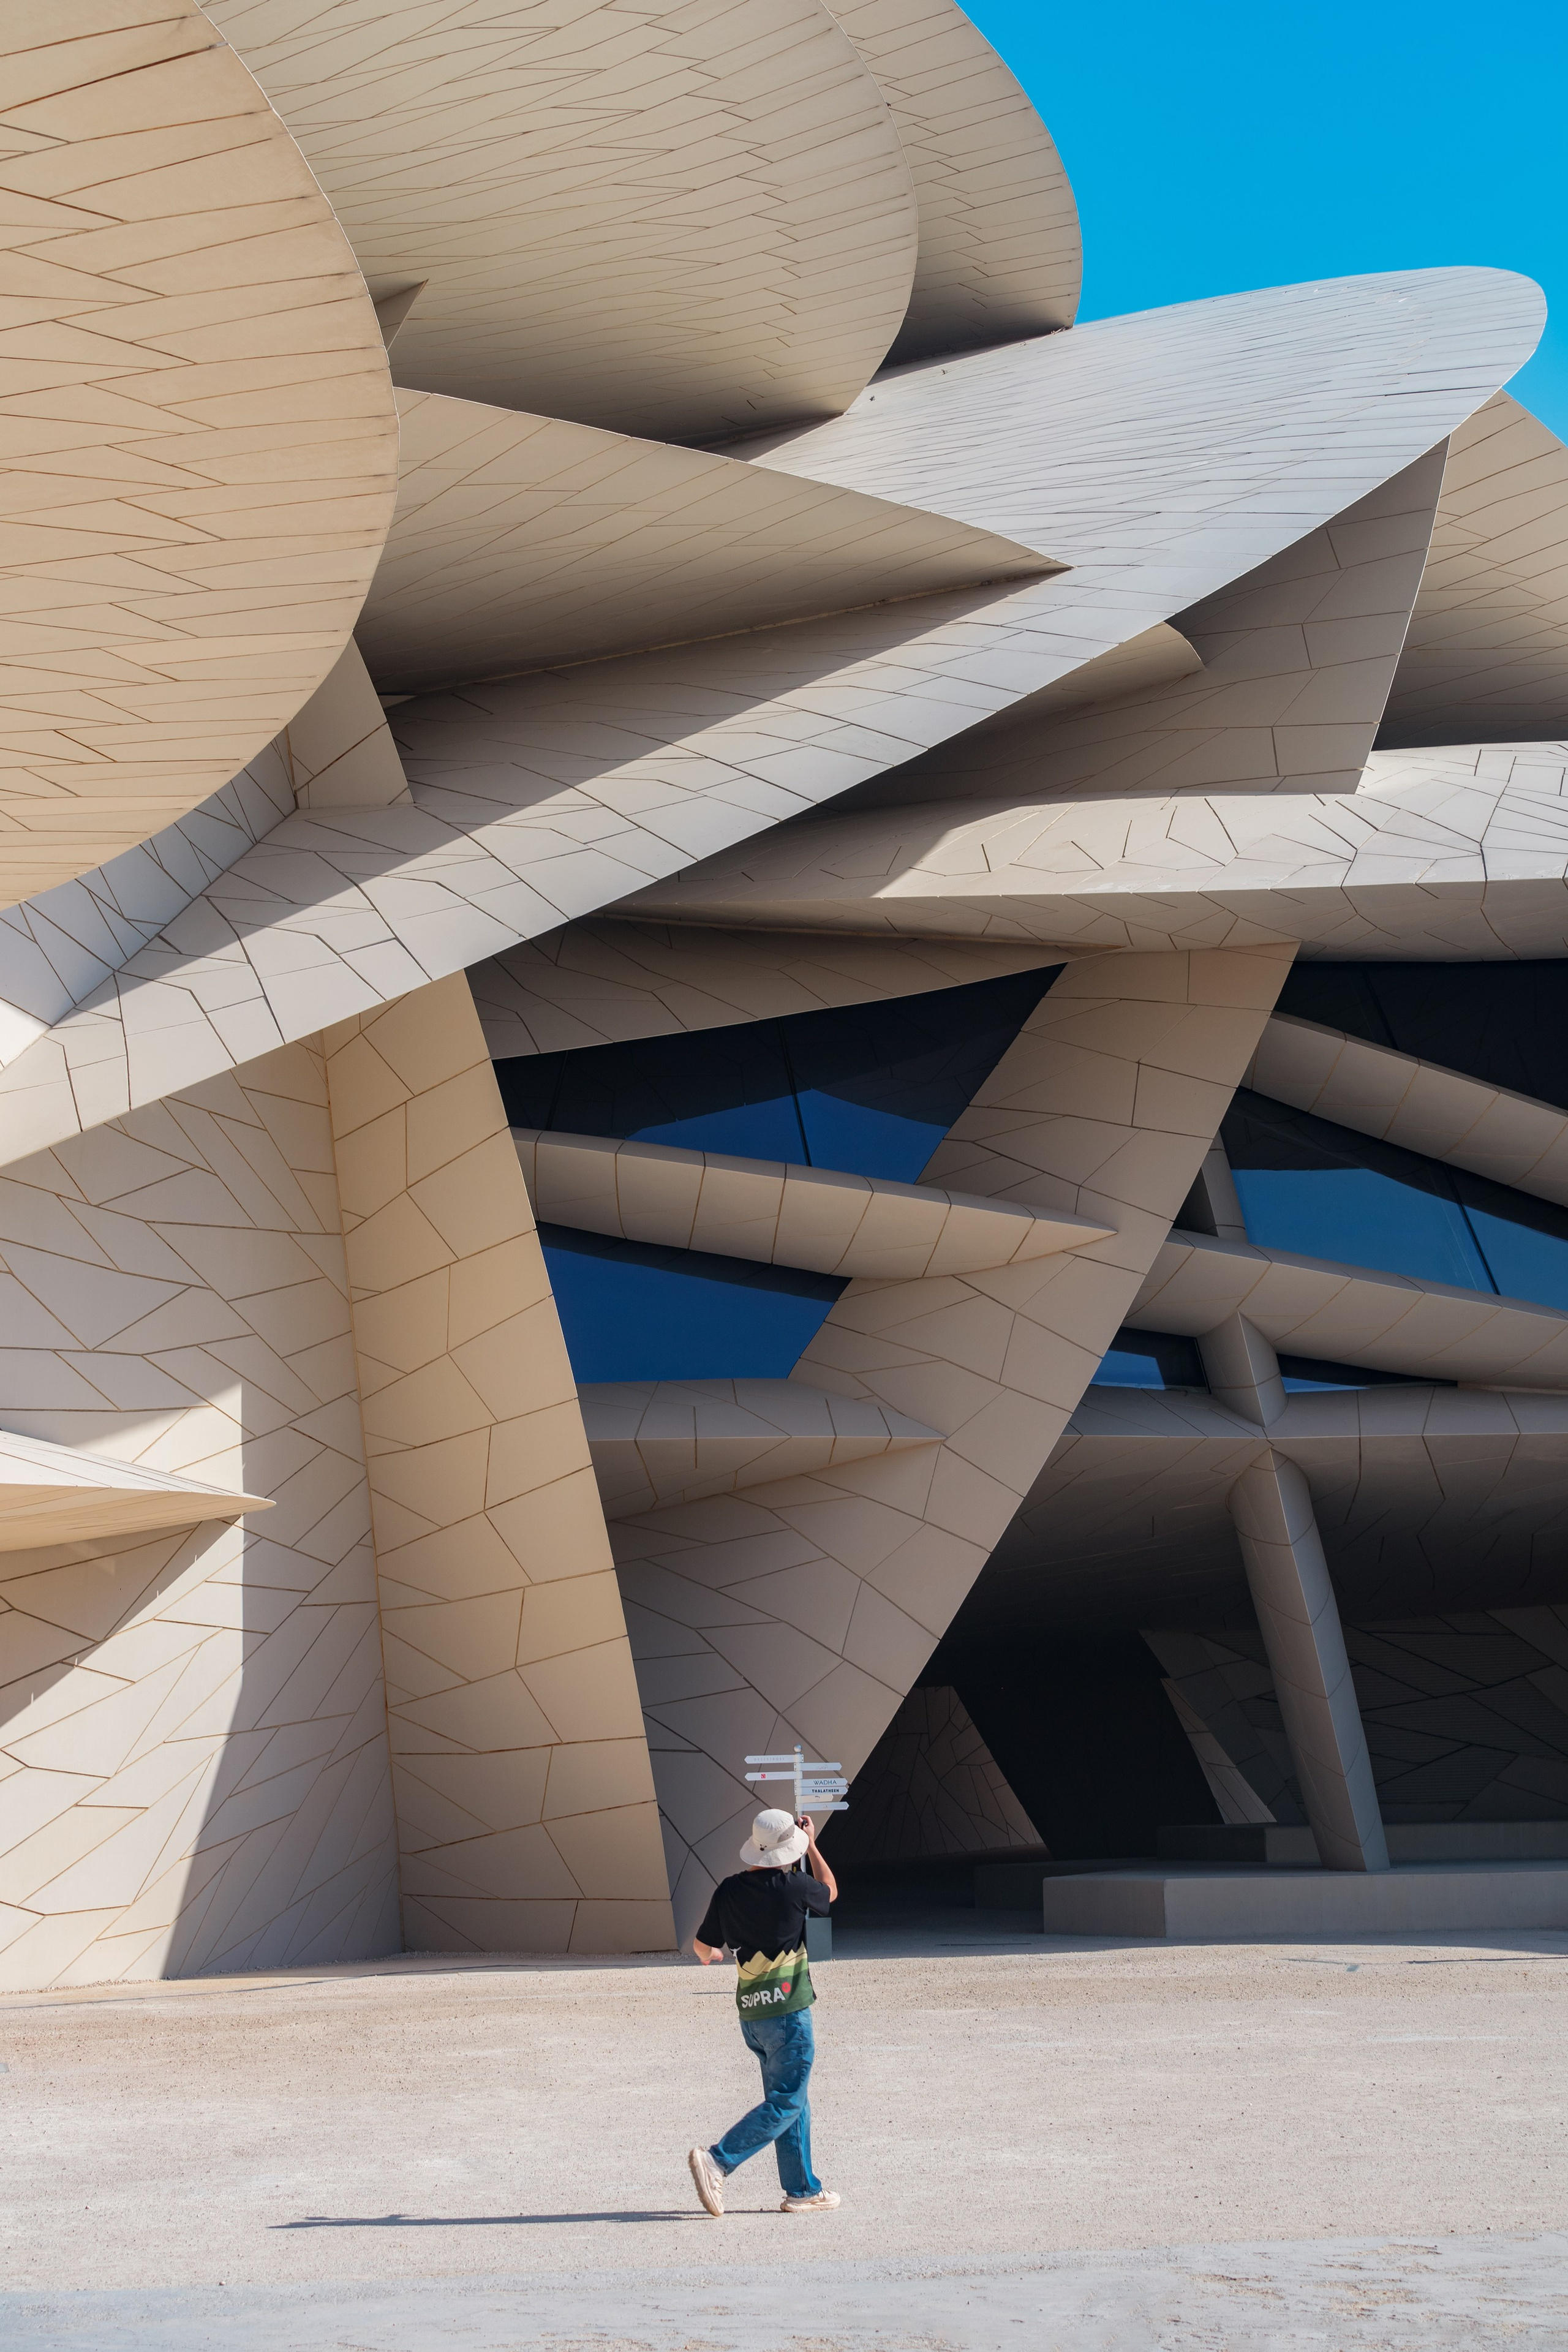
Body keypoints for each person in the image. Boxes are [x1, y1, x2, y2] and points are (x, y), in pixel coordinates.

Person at [686, 1807, 840, 2217]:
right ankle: (719, 2160)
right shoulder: (794, 1887)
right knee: (789, 2099)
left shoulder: (729, 1890)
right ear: (791, 1848)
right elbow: (831, 1891)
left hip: (753, 2016)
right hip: (789, 2014)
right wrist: (814, 1843)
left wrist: (714, 1954)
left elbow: (702, 1947)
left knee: (790, 2099)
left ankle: (803, 2190)